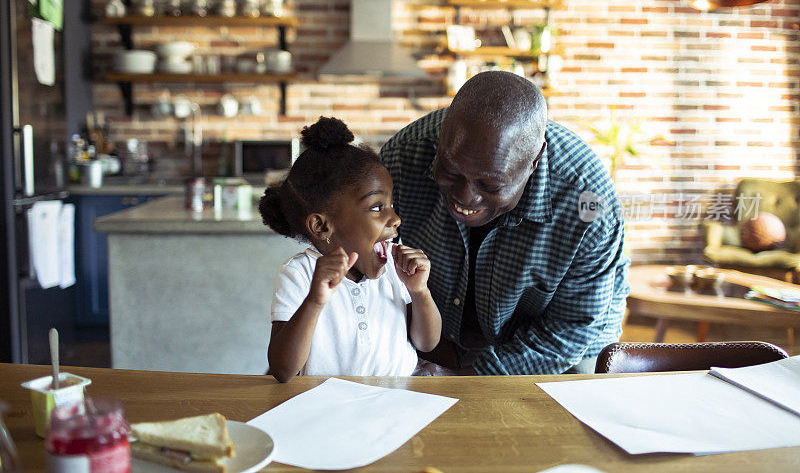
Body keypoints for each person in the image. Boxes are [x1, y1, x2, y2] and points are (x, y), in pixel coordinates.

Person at [380, 71, 630, 375]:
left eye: (490, 185)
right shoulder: (403, 156)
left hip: (561, 341)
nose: (464, 197)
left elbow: (568, 332)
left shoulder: (589, 203)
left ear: (534, 161)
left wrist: (471, 382)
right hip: (438, 328)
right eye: (449, 170)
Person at [259, 117, 442, 382]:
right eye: (377, 207)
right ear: (321, 226)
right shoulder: (300, 274)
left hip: (398, 402)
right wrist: (315, 300)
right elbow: (283, 370)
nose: (396, 219)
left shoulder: (395, 267)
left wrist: (420, 291)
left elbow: (427, 343)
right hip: (327, 408)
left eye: (392, 205)